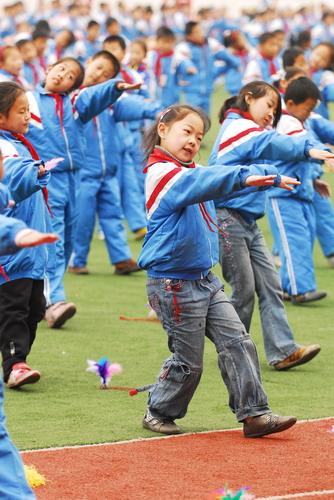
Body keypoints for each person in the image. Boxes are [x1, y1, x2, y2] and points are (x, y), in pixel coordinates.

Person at [138, 103, 298, 437]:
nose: (194, 141)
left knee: (239, 341)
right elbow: (206, 180)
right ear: (163, 129)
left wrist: (261, 179)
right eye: (187, 131)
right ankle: (158, 409)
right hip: (173, 284)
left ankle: (254, 413)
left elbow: (215, 181)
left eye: (199, 137)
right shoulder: (162, 173)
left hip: (204, 281)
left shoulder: (191, 172)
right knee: (188, 361)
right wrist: (242, 175)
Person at [209, 81, 332, 369]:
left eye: (276, 109)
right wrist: (310, 150)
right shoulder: (238, 127)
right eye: (269, 105)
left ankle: (282, 351)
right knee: (243, 289)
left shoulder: (249, 128)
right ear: (249, 98)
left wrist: (310, 164)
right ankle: (233, 352)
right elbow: (274, 144)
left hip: (247, 220)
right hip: (227, 217)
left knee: (271, 285)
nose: (272, 113)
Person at [25, 56, 139, 328]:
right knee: (53, 240)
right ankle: (54, 301)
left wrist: (114, 86)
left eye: (70, 76)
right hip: (45, 179)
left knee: (68, 239)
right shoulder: (29, 100)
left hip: (73, 180)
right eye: (60, 68)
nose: (63, 75)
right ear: (49, 69)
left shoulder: (75, 104)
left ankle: (41, 298)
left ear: (72, 86)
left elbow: (93, 98)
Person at [0, 81, 57, 388]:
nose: (27, 117)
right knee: (14, 307)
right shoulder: (5, 147)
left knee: (35, 307)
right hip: (10, 250)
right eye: (20, 111)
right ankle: (14, 362)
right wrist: (34, 171)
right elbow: (13, 177)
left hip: (32, 248)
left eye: (28, 110)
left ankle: (19, 358)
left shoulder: (19, 142)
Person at [267, 77, 332, 301]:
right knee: (294, 241)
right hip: (283, 195)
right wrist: (325, 154)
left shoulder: (297, 122)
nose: (309, 114)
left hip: (300, 192)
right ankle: (299, 290)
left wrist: (313, 180)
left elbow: (299, 160)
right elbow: (305, 147)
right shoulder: (286, 122)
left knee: (302, 239)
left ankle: (289, 286)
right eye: (308, 109)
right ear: (291, 103)